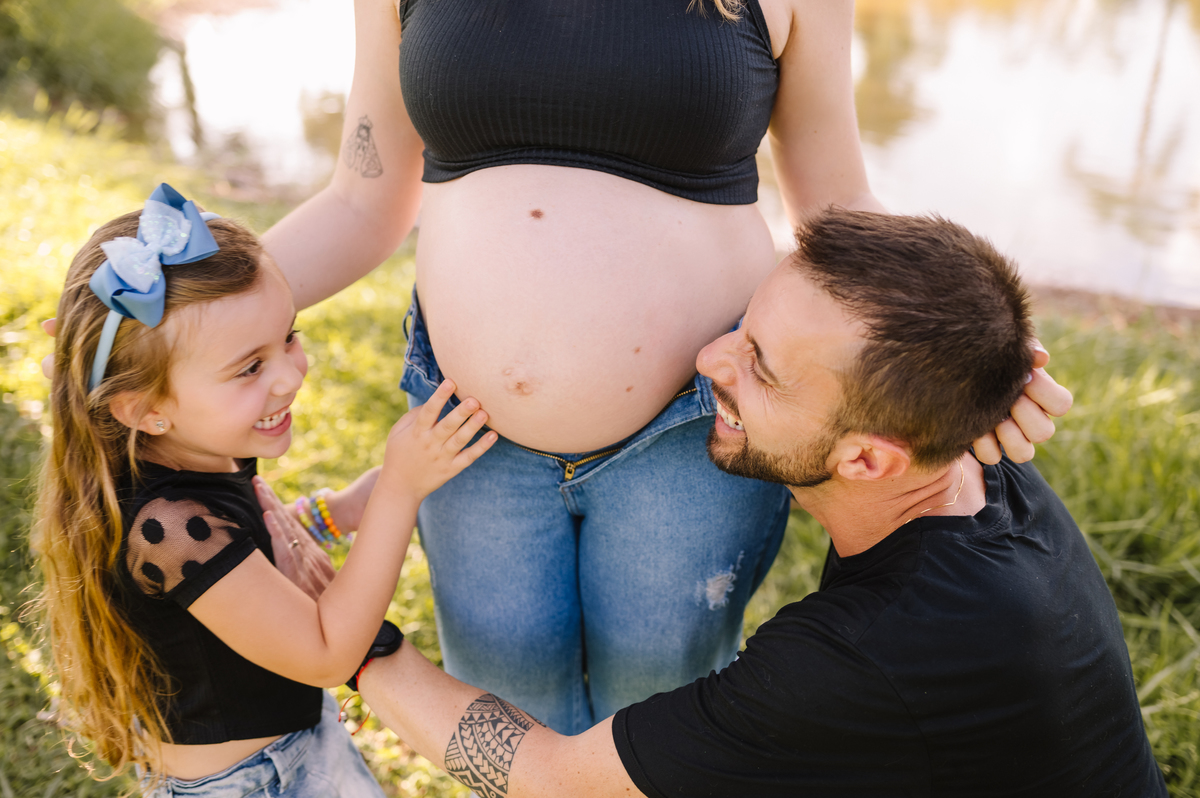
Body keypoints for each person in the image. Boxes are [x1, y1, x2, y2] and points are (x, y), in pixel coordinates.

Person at [257, 0, 1072, 734]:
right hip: (465, 429)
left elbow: (835, 205)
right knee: (502, 695)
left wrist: (968, 350)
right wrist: (197, 307)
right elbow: (360, 201)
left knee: (660, 707)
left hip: (699, 424)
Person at [353, 210, 1165, 796]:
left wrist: (356, 644)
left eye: (760, 366)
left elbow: (556, 779)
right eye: (742, 327)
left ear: (866, 459)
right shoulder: (977, 466)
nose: (710, 359)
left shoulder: (860, 656)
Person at [32, 185, 496, 795]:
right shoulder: (169, 528)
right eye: (250, 367)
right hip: (256, 782)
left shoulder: (187, 453)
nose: (289, 375)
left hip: (288, 752)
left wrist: (338, 512)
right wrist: (397, 492)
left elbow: (246, 550)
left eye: (289, 337)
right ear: (145, 408)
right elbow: (328, 652)